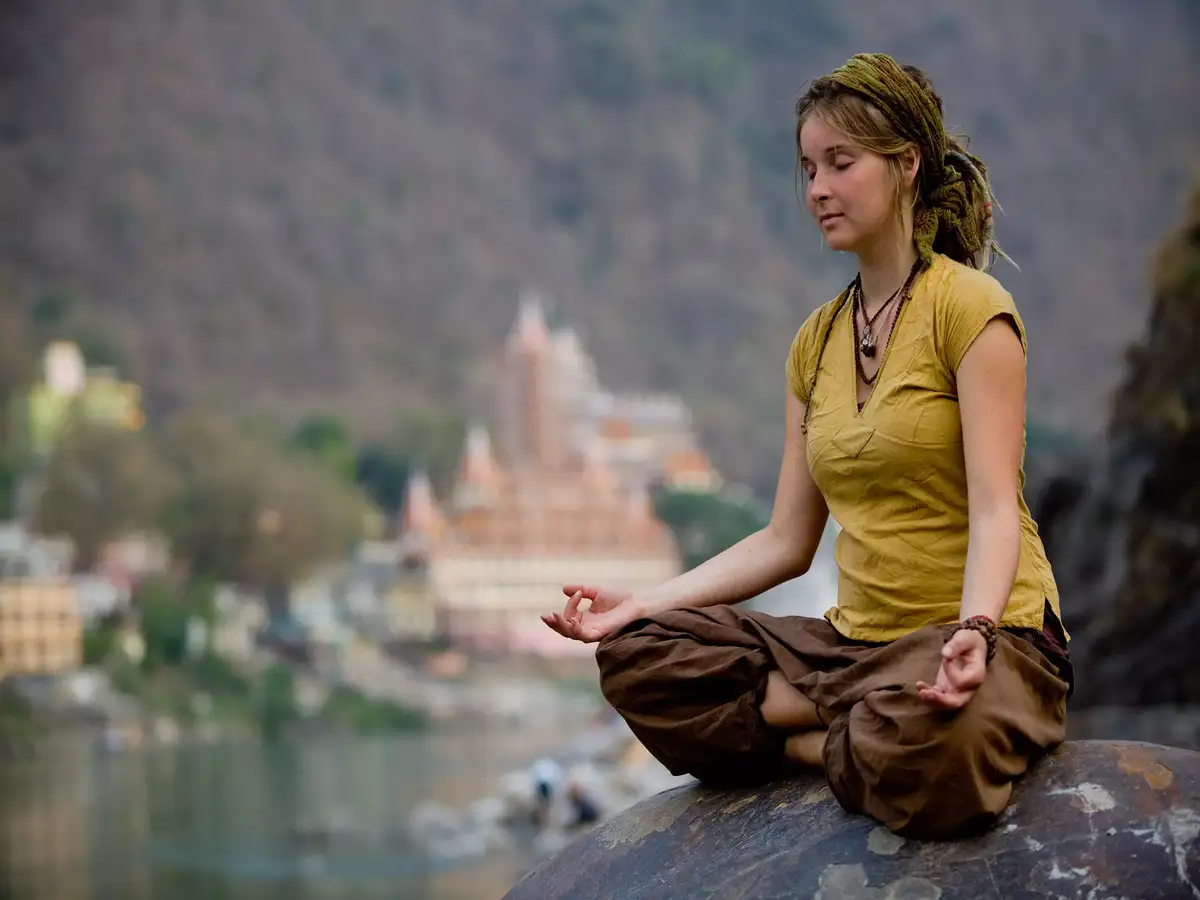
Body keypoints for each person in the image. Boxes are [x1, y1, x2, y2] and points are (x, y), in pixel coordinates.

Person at [541, 52, 1073, 841]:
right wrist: (646, 603)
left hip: (983, 636)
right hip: (854, 649)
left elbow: (998, 510)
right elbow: (788, 541)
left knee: (945, 747)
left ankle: (813, 732)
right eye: (808, 168)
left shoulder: (972, 311)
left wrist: (976, 630)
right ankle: (860, 724)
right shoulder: (815, 343)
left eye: (840, 163)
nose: (818, 188)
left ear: (906, 166)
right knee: (639, 658)